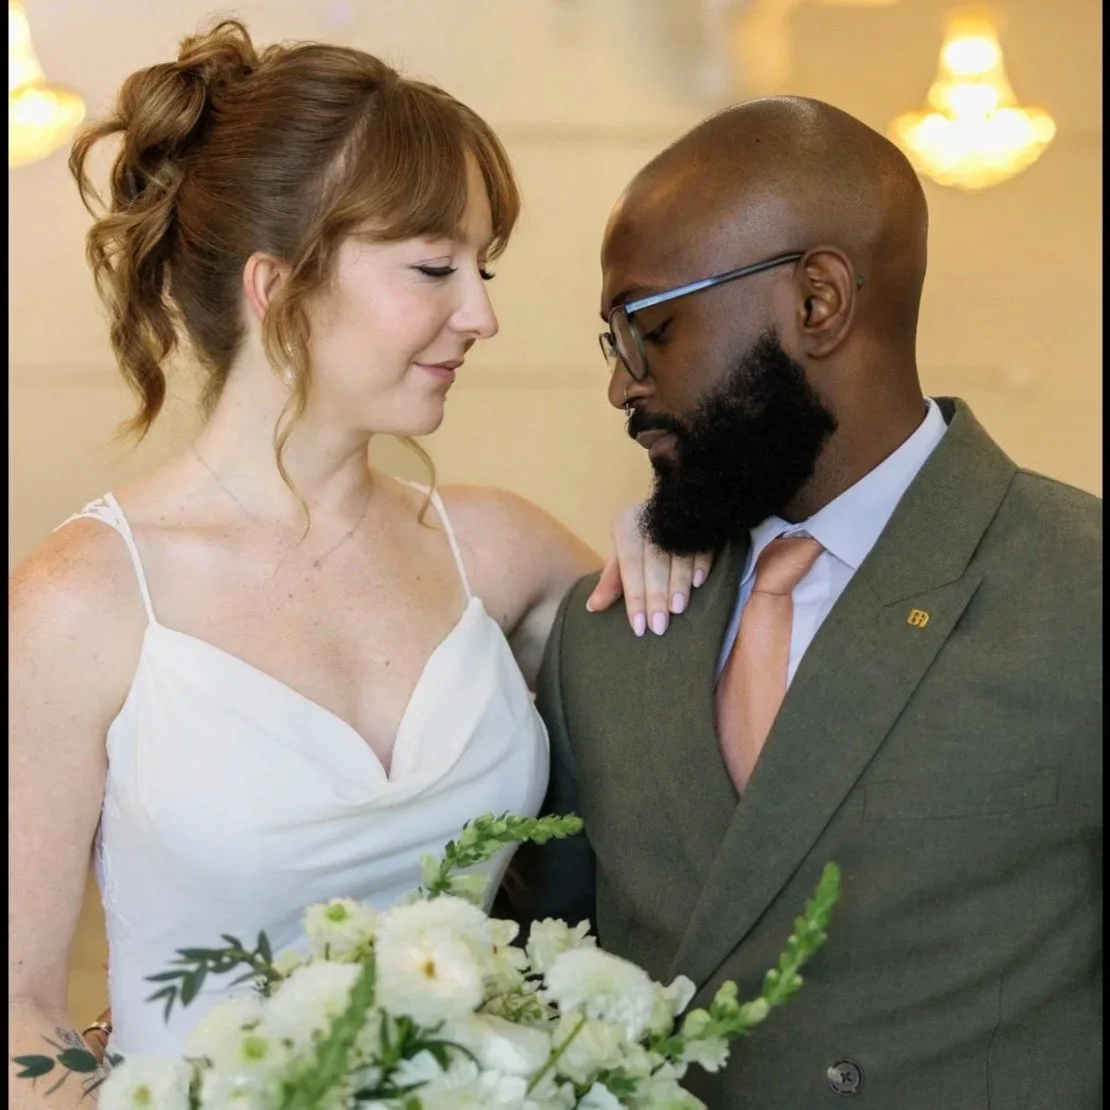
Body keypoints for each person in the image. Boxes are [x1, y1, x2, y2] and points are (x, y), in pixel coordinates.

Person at [6, 20, 711, 1097]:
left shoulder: (501, 549)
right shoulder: (84, 600)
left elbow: (698, 725)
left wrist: (663, 530)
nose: (481, 314)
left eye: (483, 267)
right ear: (274, 284)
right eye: (435, 267)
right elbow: (18, 1008)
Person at [508, 96, 1102, 1108]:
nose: (622, 386)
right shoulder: (603, 636)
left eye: (646, 328)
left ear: (818, 301)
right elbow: (539, 991)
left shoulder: (1078, 590)